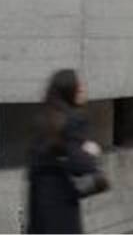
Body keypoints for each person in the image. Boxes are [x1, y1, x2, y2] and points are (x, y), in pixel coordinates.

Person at [25, 69, 108, 235]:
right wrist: (91, 153)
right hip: (62, 202)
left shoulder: (42, 120)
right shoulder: (73, 121)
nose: (84, 89)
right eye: (79, 86)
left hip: (39, 201)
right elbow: (80, 163)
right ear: (69, 91)